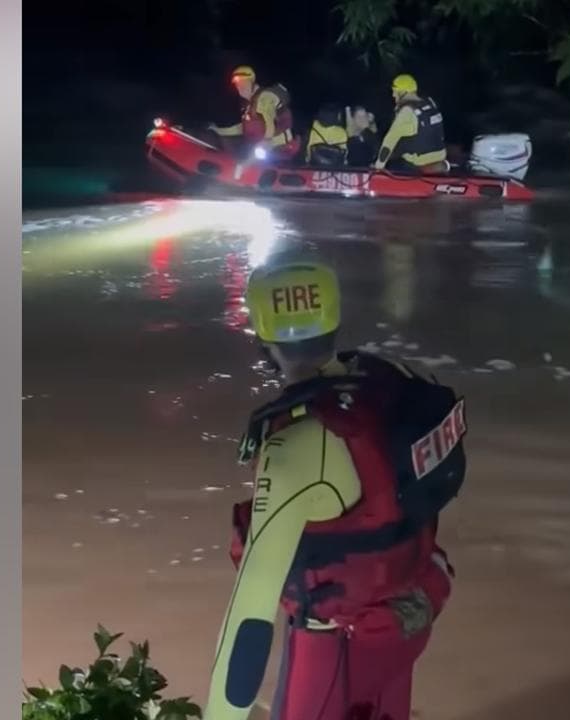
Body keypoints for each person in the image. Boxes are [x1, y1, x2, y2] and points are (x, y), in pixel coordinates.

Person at [203, 261, 466, 720]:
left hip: (333, 642)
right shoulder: (391, 387)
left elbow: (250, 615)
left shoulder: (294, 448)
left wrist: (218, 716)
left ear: (262, 338)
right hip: (408, 615)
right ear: (334, 320)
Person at [209, 65, 301, 163]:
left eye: (244, 83)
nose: (240, 87)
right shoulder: (247, 105)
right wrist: (219, 131)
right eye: (237, 84)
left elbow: (269, 122)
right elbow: (242, 128)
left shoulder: (264, 98)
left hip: (280, 148)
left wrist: (266, 141)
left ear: (252, 82)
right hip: (259, 150)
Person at [373, 74, 448, 174]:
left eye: (395, 92)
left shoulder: (407, 111)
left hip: (420, 161)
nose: (393, 95)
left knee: (392, 144)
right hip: (441, 154)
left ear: (403, 92)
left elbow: (389, 140)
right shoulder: (430, 103)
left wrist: (378, 166)